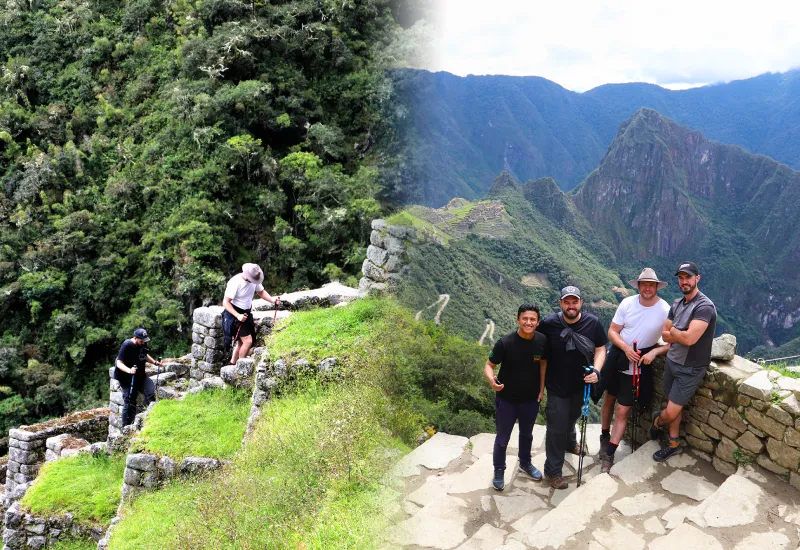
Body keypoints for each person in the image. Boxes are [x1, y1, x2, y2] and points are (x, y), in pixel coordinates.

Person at [598, 268, 670, 473]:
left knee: (623, 409)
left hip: (638, 367)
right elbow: (613, 331)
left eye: (651, 284)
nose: (647, 288)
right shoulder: (627, 303)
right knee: (609, 399)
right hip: (618, 358)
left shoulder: (665, 310)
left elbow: (672, 343)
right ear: (638, 286)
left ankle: (609, 454)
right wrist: (626, 348)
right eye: (643, 284)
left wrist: (655, 353)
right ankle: (604, 435)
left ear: (657, 287)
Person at [537, 286, 607, 489]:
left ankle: (570, 443)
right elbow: (535, 344)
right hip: (557, 385)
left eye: (574, 302)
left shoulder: (592, 323)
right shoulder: (549, 324)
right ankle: (553, 470)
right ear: (560, 304)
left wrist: (597, 370)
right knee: (556, 428)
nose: (571, 306)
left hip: (581, 384)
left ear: (580, 303)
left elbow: (601, 348)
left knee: (572, 416)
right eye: (566, 302)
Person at [650, 261, 717, 461]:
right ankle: (673, 444)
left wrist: (674, 332)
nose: (684, 281)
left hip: (691, 367)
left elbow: (690, 339)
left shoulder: (705, 307)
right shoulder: (677, 304)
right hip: (672, 360)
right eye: (681, 278)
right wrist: (678, 333)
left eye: (688, 277)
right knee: (673, 404)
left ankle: (656, 422)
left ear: (697, 278)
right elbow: (665, 334)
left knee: (670, 413)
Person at [484, 304, 548, 491]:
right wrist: (491, 381)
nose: (528, 322)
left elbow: (543, 364)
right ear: (518, 320)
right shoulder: (505, 343)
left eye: (532, 319)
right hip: (507, 399)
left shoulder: (542, 341)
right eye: (525, 319)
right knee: (502, 438)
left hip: (530, 399)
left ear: (537, 322)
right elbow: (489, 365)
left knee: (527, 435)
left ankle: (525, 463)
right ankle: (498, 470)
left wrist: (541, 388)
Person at [223, 263, 279, 365]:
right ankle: (241, 367)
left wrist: (272, 300)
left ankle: (232, 363)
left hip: (246, 313)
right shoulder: (235, 282)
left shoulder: (254, 279)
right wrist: (237, 315)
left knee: (241, 342)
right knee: (248, 341)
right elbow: (226, 302)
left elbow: (261, 292)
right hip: (234, 314)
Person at [115, 328, 162, 426]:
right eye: (141, 341)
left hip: (141, 376)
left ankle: (148, 417)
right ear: (135, 338)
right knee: (129, 402)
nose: (143, 343)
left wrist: (154, 362)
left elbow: (144, 354)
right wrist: (129, 370)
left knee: (151, 393)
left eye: (145, 341)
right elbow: (119, 363)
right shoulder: (127, 345)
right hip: (127, 379)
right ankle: (126, 427)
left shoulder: (142, 343)